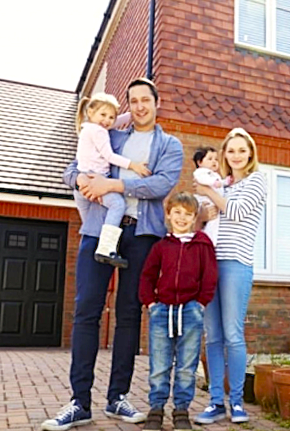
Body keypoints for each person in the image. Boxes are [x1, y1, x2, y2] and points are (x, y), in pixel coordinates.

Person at [41, 77, 183, 431]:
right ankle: (79, 402)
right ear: (128, 107)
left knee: (129, 314)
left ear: (157, 103)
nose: (139, 106)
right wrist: (81, 182)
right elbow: (72, 168)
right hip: (99, 228)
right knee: (86, 310)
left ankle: (117, 397)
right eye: (133, 101)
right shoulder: (111, 135)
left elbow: (160, 184)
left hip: (141, 235)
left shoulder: (170, 145)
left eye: (145, 100)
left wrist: (113, 184)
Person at [192, 128, 267, 425]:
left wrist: (207, 192)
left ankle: (236, 402)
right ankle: (215, 402)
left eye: (241, 150)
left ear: (250, 154)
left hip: (236, 263)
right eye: (231, 150)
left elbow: (235, 212)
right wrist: (205, 205)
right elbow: (204, 218)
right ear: (224, 154)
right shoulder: (223, 184)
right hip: (211, 263)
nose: (236, 155)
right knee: (212, 335)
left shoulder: (256, 180)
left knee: (233, 335)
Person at [139, 192, 218, 431]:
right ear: (168, 214)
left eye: (187, 214)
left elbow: (210, 276)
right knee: (159, 364)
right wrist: (151, 303)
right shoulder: (161, 247)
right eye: (177, 212)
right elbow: (147, 276)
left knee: (186, 366)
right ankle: (156, 409)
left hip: (191, 312)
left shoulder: (202, 245)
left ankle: (181, 410)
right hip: (162, 312)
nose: (182, 218)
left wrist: (201, 303)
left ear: (195, 218)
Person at [73, 92, 151, 269]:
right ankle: (106, 249)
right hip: (94, 180)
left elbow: (114, 122)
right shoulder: (99, 132)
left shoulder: (89, 127)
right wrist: (134, 166)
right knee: (117, 205)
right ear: (91, 112)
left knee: (90, 228)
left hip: (82, 184)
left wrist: (133, 113)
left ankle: (97, 249)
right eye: (103, 115)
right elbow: (109, 156)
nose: (107, 120)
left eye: (111, 117)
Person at [192, 146, 223, 245]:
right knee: (210, 221)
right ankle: (208, 241)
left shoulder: (215, 175)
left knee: (214, 222)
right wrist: (214, 182)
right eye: (210, 159)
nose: (214, 161)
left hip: (213, 202)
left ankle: (210, 241)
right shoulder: (201, 172)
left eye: (216, 159)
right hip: (205, 201)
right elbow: (202, 179)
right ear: (199, 162)